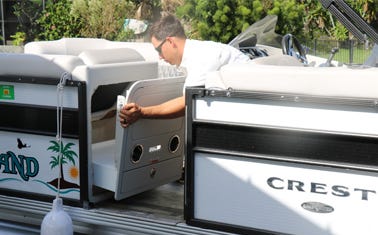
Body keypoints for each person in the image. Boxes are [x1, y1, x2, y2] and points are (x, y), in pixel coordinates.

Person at [119, 14, 250, 127]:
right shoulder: (196, 52)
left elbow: (186, 104)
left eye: (158, 49)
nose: (160, 56)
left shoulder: (200, 57)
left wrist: (141, 113)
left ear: (170, 41)